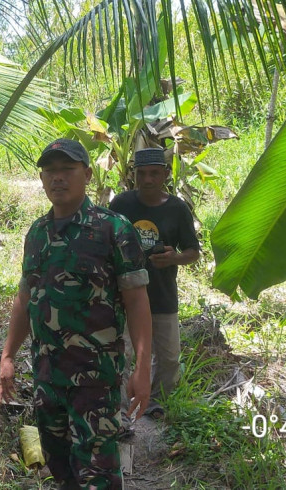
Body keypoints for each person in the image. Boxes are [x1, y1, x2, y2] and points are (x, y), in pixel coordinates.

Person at [0, 138, 152, 489]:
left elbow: (138, 303)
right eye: (50, 171)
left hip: (95, 380)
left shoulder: (114, 230)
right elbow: (25, 299)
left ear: (87, 173)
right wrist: (8, 355)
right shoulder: (37, 233)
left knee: (97, 472)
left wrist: (143, 369)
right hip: (47, 377)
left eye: (67, 169)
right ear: (41, 180)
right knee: (59, 463)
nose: (58, 178)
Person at [109, 147, 200, 417]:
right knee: (123, 354)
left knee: (169, 358)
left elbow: (193, 252)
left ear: (165, 174)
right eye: (141, 173)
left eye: (154, 174)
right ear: (133, 174)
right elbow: (105, 242)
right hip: (124, 295)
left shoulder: (177, 208)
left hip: (162, 295)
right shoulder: (121, 205)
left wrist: (174, 258)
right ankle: (123, 403)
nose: (147, 179)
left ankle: (158, 402)